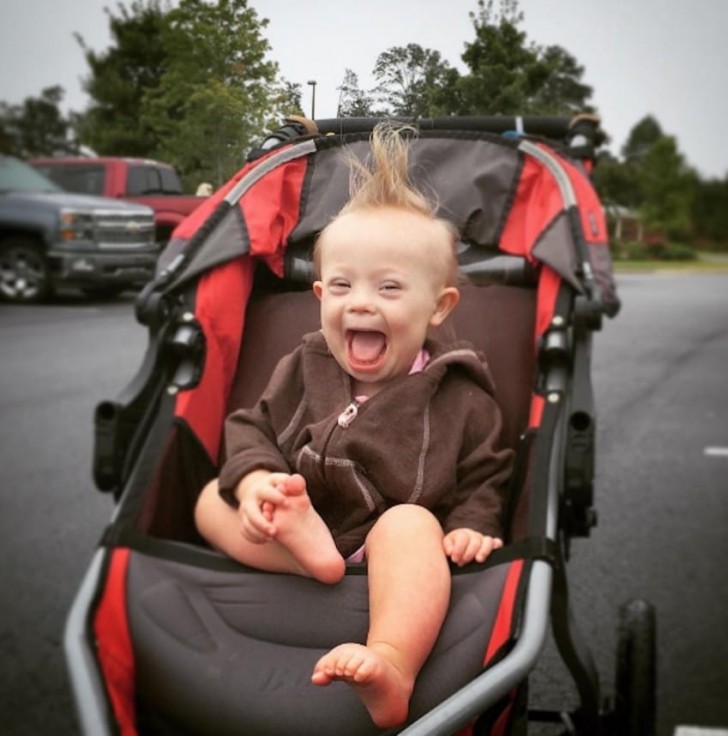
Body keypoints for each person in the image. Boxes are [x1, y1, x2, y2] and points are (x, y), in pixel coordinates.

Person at [194, 123, 514, 729]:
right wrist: (259, 481)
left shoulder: (458, 393)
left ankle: (391, 662)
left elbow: (486, 472)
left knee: (411, 522)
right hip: (295, 530)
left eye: (389, 288)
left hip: (386, 556)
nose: (360, 302)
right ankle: (308, 558)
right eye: (341, 286)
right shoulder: (306, 365)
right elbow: (252, 427)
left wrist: (474, 524)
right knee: (215, 496)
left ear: (438, 306)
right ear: (318, 294)